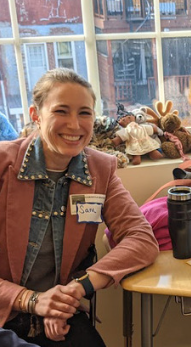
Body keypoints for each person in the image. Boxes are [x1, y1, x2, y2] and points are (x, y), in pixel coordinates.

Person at [0, 68, 159, 346]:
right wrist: (34, 300)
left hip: (59, 311)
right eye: (61, 111)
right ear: (36, 115)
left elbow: (141, 239)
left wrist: (76, 289)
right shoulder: (4, 164)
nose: (75, 125)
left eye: (84, 113)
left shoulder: (100, 170)